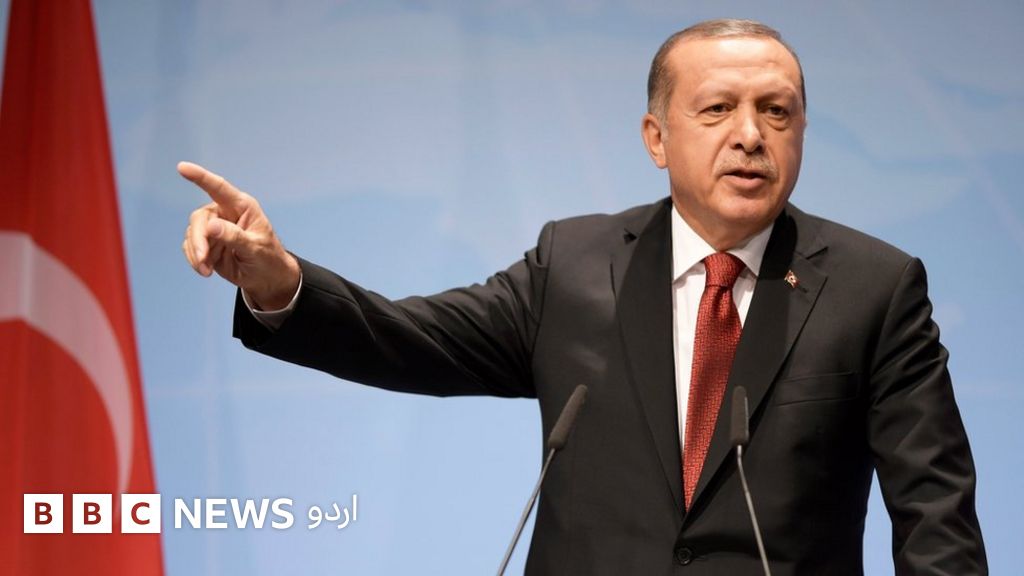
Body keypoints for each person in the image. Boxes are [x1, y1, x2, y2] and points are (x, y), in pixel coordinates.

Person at [179, 19, 986, 575]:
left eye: (777, 112)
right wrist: (280, 283)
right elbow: (407, 339)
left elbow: (935, 515)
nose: (750, 134)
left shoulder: (874, 287)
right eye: (718, 109)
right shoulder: (575, 265)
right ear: (656, 138)